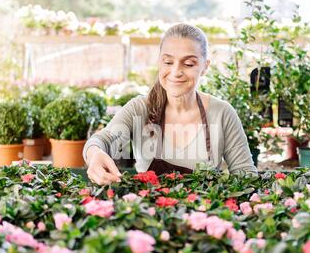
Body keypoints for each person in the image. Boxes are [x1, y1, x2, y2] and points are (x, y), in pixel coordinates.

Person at [83, 23, 257, 185]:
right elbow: (101, 141)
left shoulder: (221, 113)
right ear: (159, 61)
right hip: (151, 214)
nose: (176, 72)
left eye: (189, 63)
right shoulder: (140, 108)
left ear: (205, 66)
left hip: (205, 215)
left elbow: (246, 176)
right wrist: (95, 154)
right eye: (168, 62)